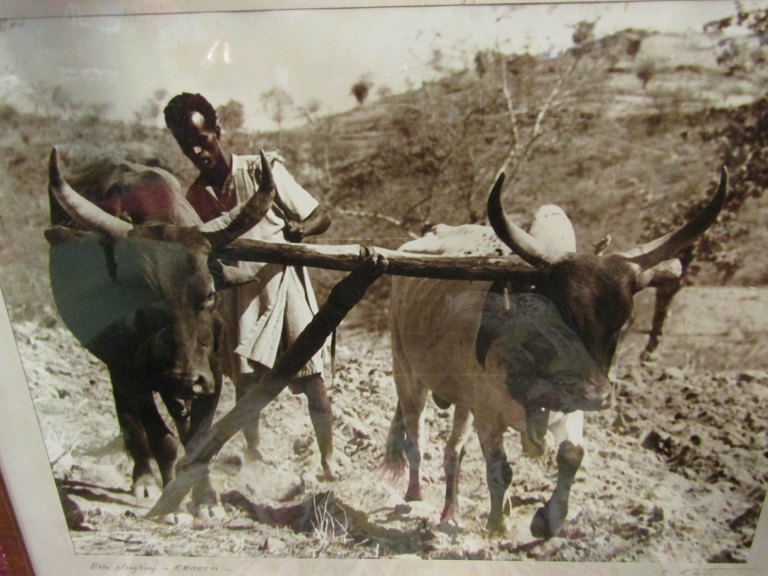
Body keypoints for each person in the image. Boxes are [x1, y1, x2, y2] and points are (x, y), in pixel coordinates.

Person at [163, 93, 336, 479]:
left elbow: (320, 214)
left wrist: (301, 229)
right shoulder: (195, 197)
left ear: (217, 132)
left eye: (203, 139)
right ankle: (254, 454)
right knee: (246, 387)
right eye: (187, 145)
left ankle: (328, 459)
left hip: (283, 286)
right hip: (240, 297)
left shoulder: (262, 171)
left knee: (312, 380)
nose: (198, 151)